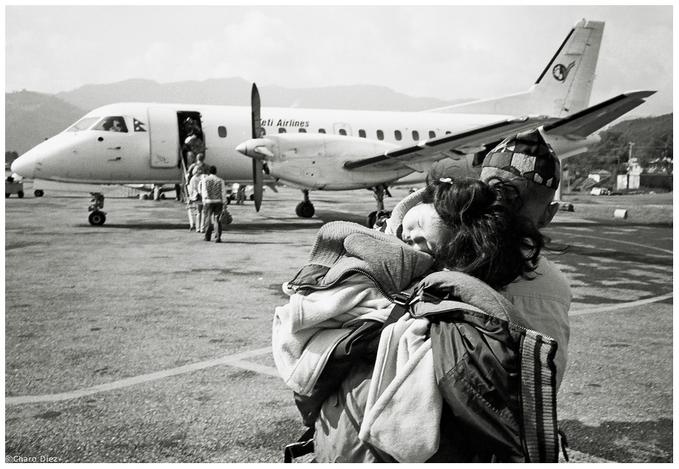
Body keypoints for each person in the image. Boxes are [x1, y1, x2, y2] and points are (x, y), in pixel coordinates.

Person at [199, 165, 227, 243]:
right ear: (216, 172)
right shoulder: (220, 180)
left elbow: (204, 191)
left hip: (208, 201)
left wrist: (204, 200)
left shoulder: (205, 180)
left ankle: (207, 236)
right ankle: (218, 237)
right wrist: (224, 202)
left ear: (209, 172)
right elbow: (223, 192)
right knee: (217, 219)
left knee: (207, 219)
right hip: (218, 201)